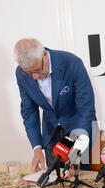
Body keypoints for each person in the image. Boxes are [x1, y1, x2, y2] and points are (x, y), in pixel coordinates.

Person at [14, 38, 97, 173]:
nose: (35, 77)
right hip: (51, 133)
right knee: (54, 182)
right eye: (29, 73)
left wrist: (77, 148)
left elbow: (86, 108)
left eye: (38, 70)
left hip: (78, 128)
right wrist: (37, 148)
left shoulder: (71, 63)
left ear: (44, 54)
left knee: (80, 181)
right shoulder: (20, 74)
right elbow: (29, 112)